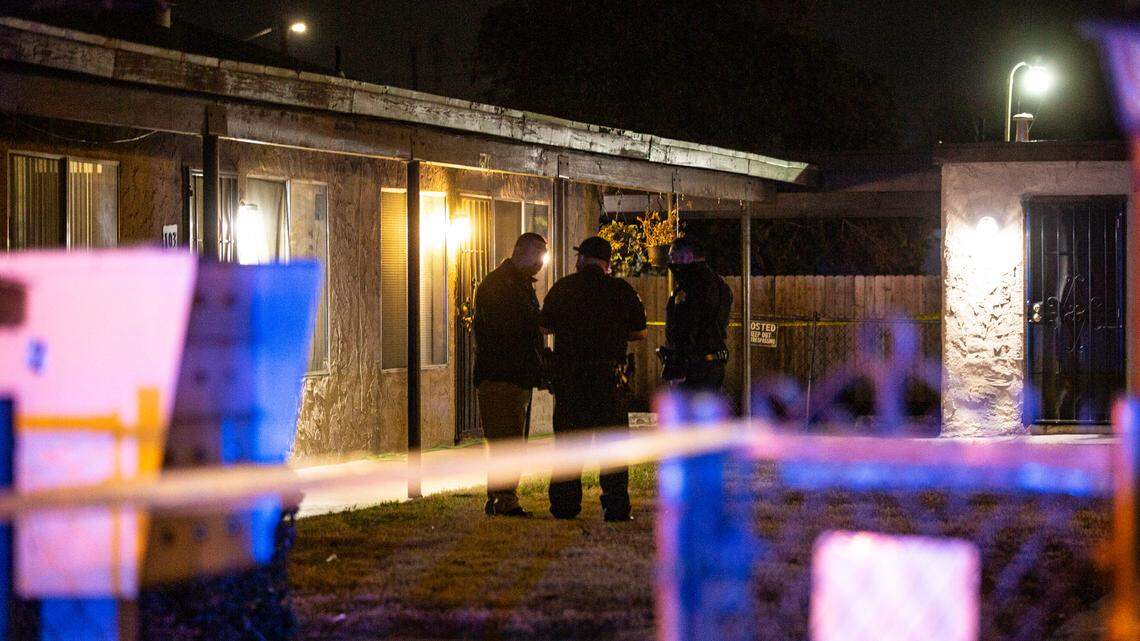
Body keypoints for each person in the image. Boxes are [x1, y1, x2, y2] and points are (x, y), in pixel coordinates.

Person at [539, 236, 647, 521]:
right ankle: (616, 506)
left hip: (571, 378)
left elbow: (544, 325)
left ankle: (564, 505)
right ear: (607, 263)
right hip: (609, 379)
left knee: (568, 443)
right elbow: (640, 332)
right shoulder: (621, 291)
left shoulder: (564, 288)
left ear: (583, 258)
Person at [473, 232, 548, 517]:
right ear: (522, 252)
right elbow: (508, 331)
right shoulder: (500, 285)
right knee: (509, 440)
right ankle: (505, 500)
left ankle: (498, 497)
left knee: (507, 439)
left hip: (513, 375)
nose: (541, 263)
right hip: (502, 375)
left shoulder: (516, 284)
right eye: (538, 255)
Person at [662, 235, 733, 392]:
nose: (672, 263)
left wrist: (678, 367)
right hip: (715, 364)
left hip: (693, 368)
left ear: (688, 257)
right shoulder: (721, 285)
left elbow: (684, 328)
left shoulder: (689, 286)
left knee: (689, 415)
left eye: (674, 258)